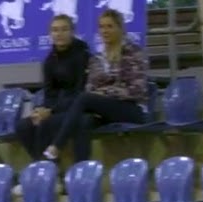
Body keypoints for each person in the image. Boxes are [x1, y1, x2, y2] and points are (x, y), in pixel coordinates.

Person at [42, 9, 148, 163]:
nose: (105, 31)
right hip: (104, 110)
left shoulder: (134, 53)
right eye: (102, 27)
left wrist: (105, 93)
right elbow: (90, 87)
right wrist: (101, 95)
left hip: (132, 109)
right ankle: (82, 171)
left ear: (120, 28)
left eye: (109, 26)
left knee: (84, 99)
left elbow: (137, 90)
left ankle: (57, 145)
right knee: (83, 120)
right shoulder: (97, 57)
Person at [13, 14, 90, 165]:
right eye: (55, 30)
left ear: (72, 32)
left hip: (77, 108)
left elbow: (80, 93)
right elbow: (48, 92)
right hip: (55, 108)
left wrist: (51, 111)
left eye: (64, 29)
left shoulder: (83, 55)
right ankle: (43, 167)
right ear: (50, 34)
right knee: (23, 126)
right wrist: (41, 109)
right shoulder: (49, 60)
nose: (59, 34)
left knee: (46, 123)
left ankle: (49, 172)